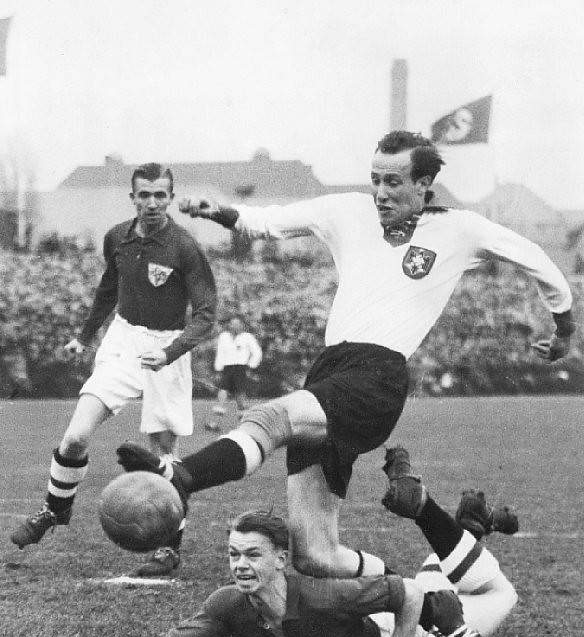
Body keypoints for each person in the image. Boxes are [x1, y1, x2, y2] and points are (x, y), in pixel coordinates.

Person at [117, 130, 574, 583]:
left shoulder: (460, 228)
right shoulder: (346, 211)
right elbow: (273, 220)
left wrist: (564, 330)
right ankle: (416, 595)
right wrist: (219, 211)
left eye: (394, 182)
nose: (380, 192)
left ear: (423, 185)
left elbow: (536, 258)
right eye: (376, 179)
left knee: (273, 416)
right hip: (329, 373)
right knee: (315, 556)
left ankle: (180, 475)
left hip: (378, 376)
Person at [100, 456, 517, 637]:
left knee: (497, 594)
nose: (240, 565)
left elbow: (405, 594)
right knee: (442, 571)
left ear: (282, 560)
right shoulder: (228, 604)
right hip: (399, 610)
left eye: (253, 555)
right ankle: (472, 527)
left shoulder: (317, 596)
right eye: (233, 555)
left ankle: (431, 512)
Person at [11, 163, 217, 577]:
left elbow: (207, 315)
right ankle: (55, 509)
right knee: (74, 437)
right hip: (123, 342)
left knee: (165, 456)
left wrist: (172, 352)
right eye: (145, 195)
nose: (153, 203)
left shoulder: (184, 247)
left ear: (172, 198)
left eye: (161, 195)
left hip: (167, 348)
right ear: (133, 197)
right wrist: (85, 337)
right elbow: (109, 288)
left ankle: (169, 548)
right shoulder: (117, 238)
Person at [205, 315, 263, 432]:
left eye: (237, 324)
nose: (234, 326)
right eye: (232, 323)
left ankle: (245, 425)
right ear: (229, 325)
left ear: (242, 325)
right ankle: (215, 423)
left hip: (240, 368)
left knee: (240, 398)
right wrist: (218, 369)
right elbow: (220, 353)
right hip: (227, 368)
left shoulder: (247, 337)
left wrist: (250, 365)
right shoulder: (224, 337)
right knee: (222, 393)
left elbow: (257, 352)